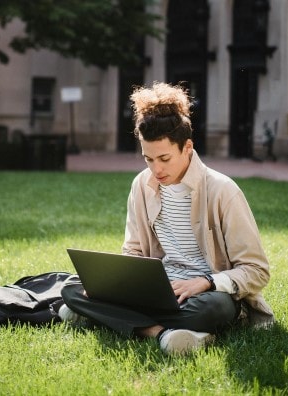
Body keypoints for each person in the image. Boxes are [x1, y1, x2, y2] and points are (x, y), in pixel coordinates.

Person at [60, 82, 274, 355]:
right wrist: (114, 287)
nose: (156, 169)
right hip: (157, 290)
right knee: (72, 289)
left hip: (203, 295)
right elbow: (134, 250)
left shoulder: (223, 190)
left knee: (216, 308)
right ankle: (162, 334)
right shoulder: (141, 185)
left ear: (187, 147)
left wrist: (206, 282)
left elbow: (257, 271)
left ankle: (109, 317)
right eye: (148, 159)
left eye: (164, 158)